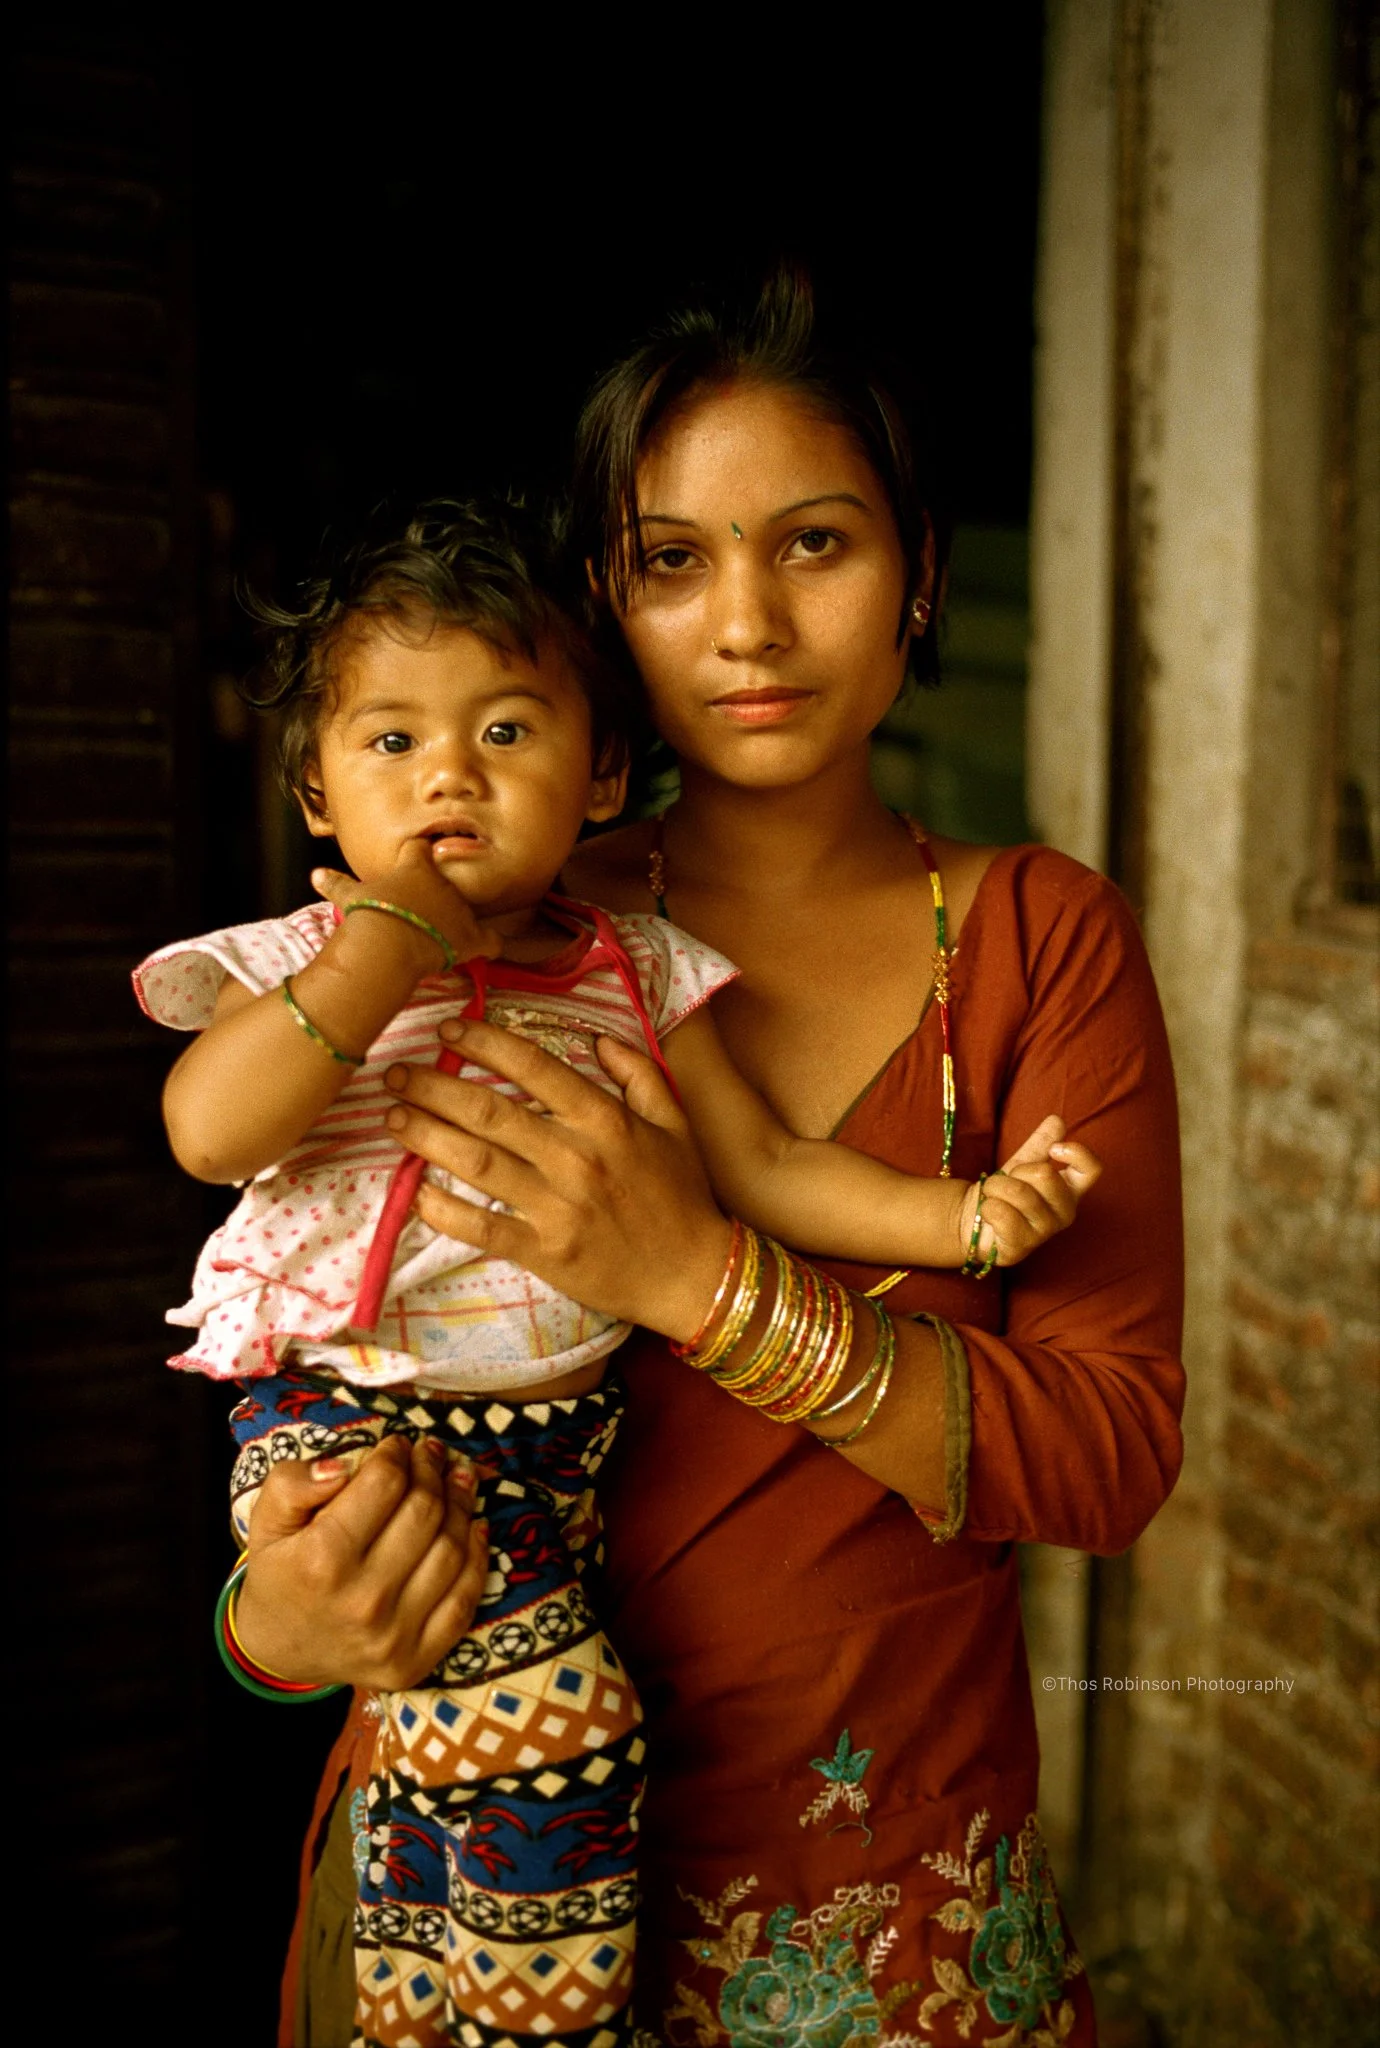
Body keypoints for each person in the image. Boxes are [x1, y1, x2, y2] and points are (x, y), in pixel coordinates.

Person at [239, 274, 1184, 2048]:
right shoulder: (468, 933)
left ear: (920, 573)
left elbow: (1113, 1456)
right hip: (461, 1869)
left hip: (877, 1913)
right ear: (602, 609)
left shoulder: (1042, 941)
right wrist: (275, 1616)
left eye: (812, 544)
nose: (745, 622)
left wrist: (700, 1282)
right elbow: (316, 1336)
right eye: (671, 562)